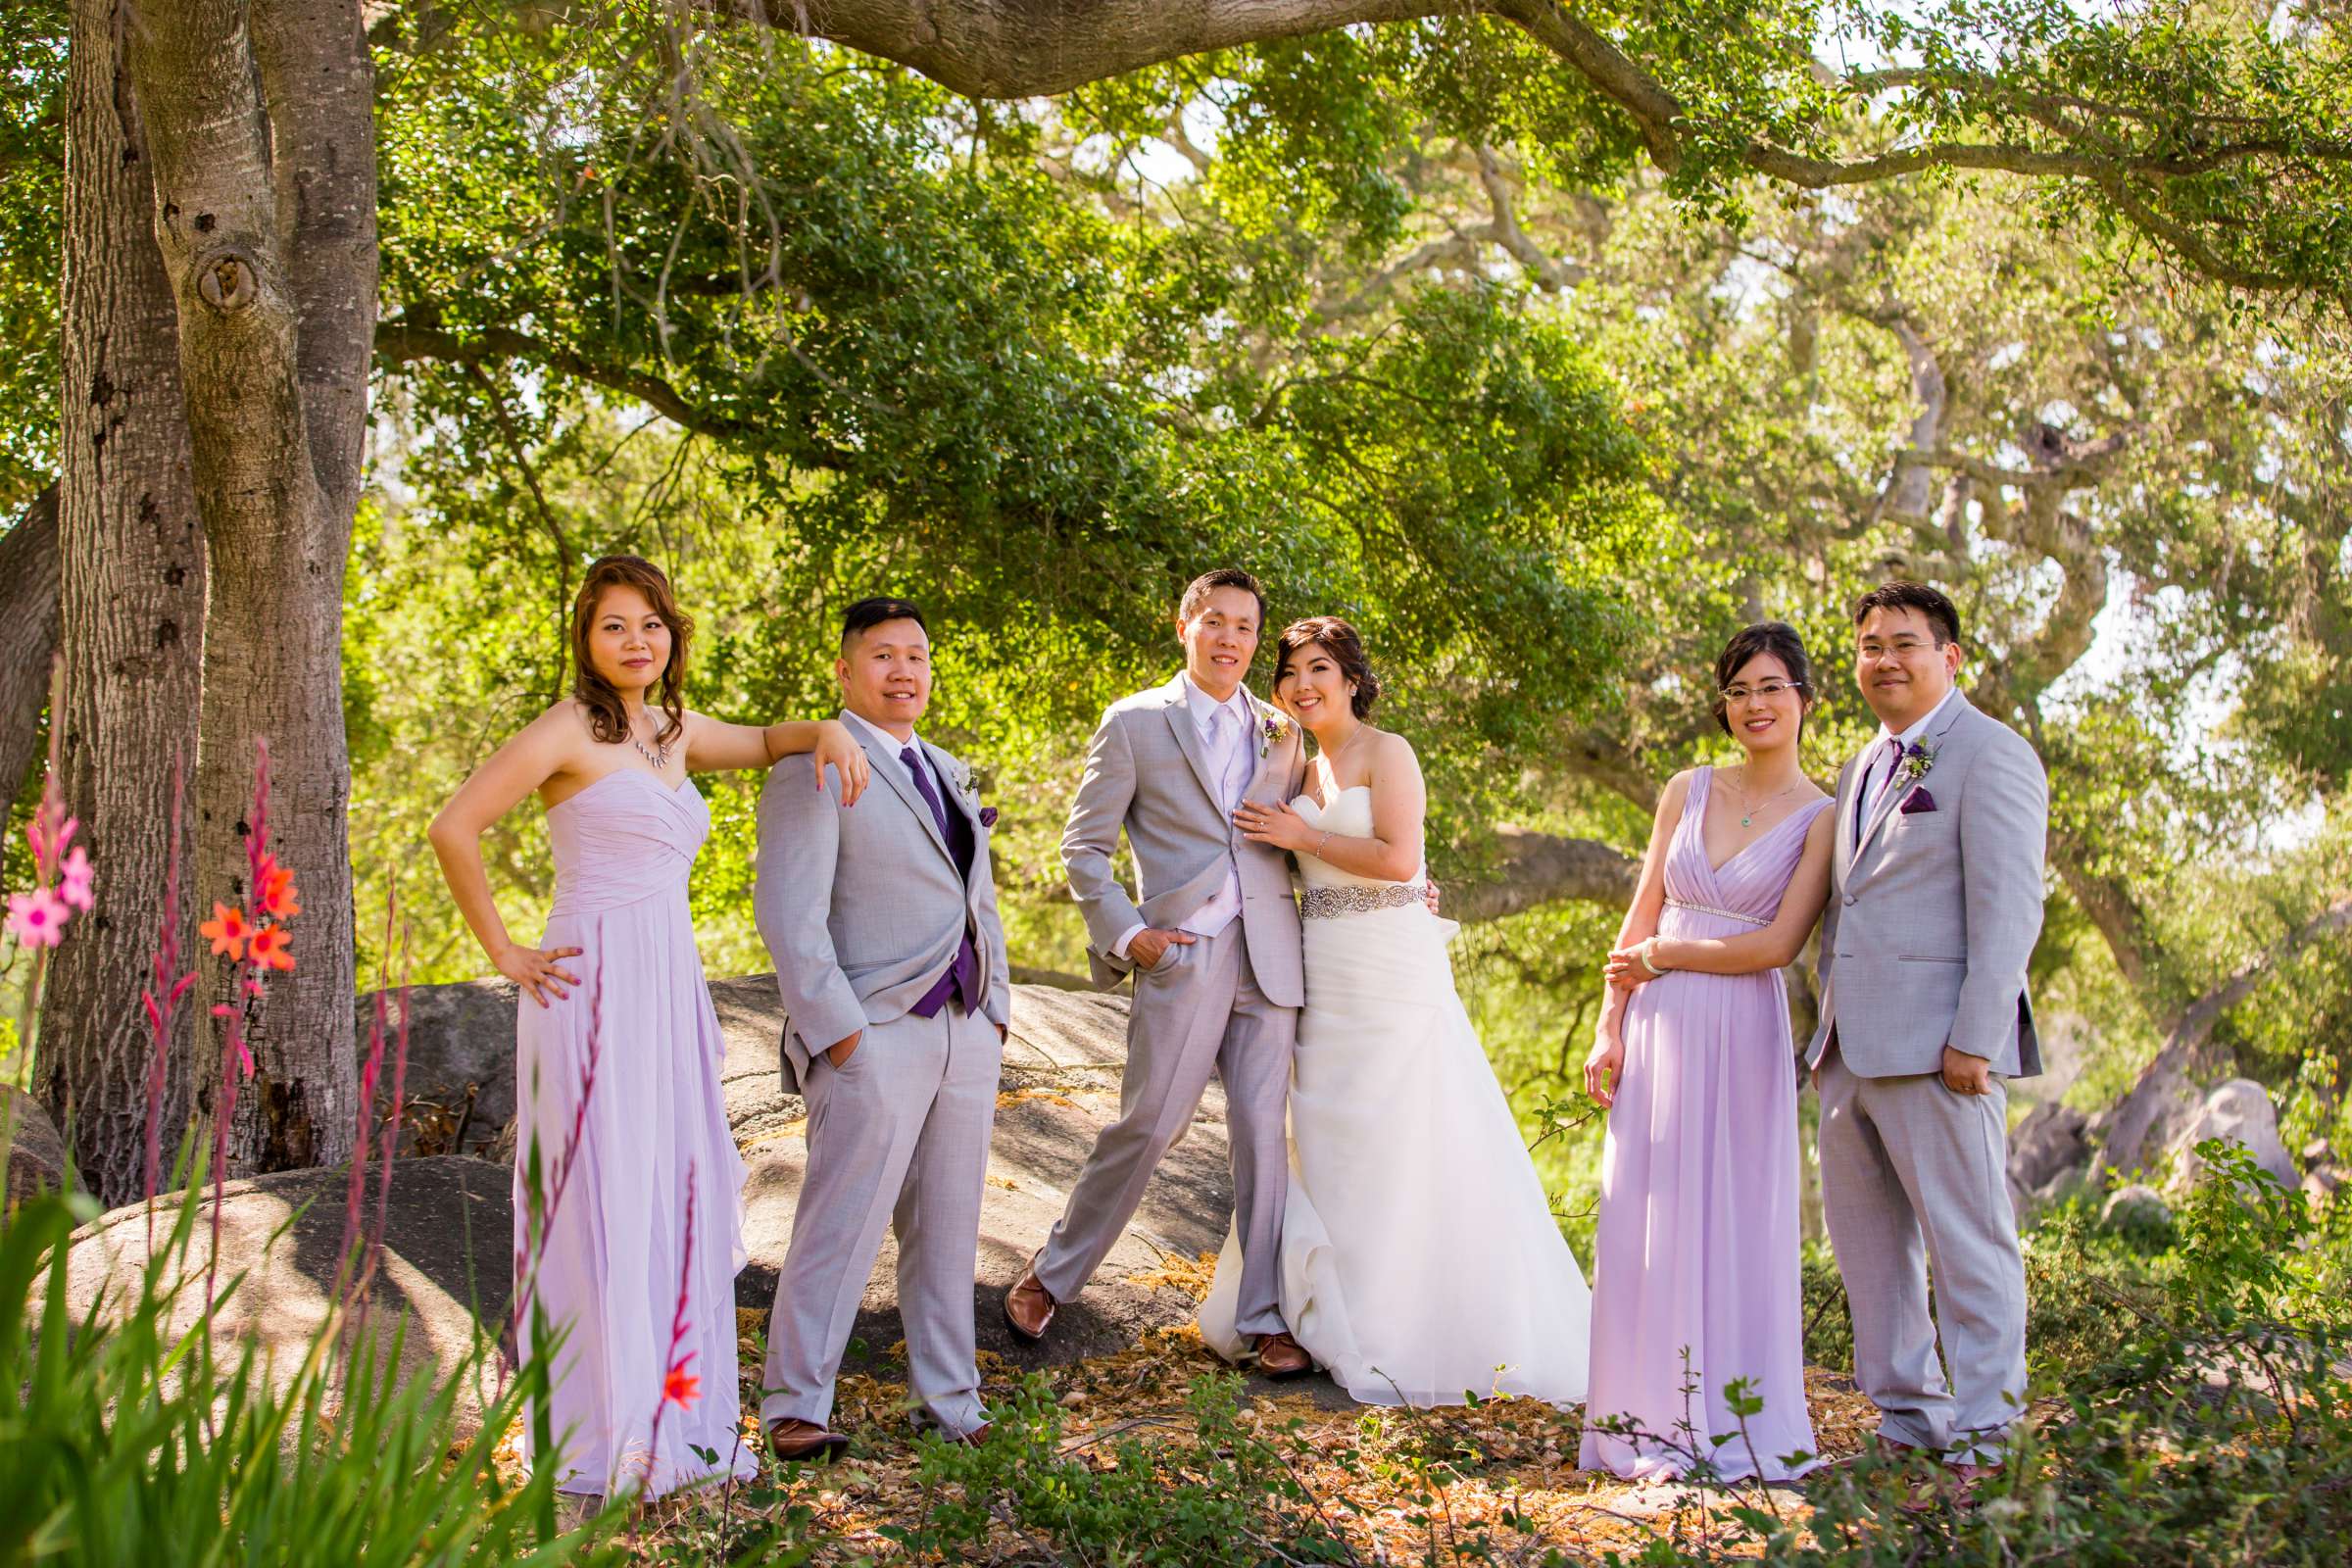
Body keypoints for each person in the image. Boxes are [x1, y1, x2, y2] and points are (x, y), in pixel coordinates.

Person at [428, 554, 869, 1498]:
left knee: (665, 1185)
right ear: (587, 641)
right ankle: (601, 1427)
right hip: (587, 986)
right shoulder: (564, 731)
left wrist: (829, 727)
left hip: (668, 983)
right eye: (615, 626)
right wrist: (507, 953)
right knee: (600, 1191)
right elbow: (452, 827)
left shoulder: (677, 732)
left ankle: (679, 1418)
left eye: (652, 624)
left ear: (674, 635)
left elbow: (764, 740)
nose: (637, 641)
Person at [1199, 616, 1591, 1405]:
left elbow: (1400, 859)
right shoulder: (1292, 766)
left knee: (1411, 1126)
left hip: (1390, 964)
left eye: (1319, 669)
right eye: (1290, 673)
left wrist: (1305, 836)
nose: (1302, 685)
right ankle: (1314, 1312)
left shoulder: (1388, 752)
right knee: (1330, 1130)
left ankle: (1423, 1325)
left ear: (1350, 678)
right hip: (1323, 969)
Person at [1004, 569, 1315, 1377]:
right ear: (1185, 625)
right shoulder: (1135, 722)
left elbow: (1305, 833)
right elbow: (1084, 849)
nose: (1231, 640)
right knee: (1149, 1124)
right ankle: (1054, 1273)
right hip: (1182, 951)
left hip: (1270, 953)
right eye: (1215, 622)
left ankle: (1265, 1317)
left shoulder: (1282, 730)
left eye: (1246, 628)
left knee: (1262, 1137)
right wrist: (1128, 933)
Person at [753, 596, 1012, 1461]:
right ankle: (795, 1404)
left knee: (948, 1224)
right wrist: (841, 1035)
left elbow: (980, 900)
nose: (905, 671)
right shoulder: (813, 762)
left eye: (918, 656)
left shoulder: (947, 767)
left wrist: (998, 1014)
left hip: (965, 1029)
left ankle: (950, 1402)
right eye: (884, 656)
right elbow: (790, 916)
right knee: (843, 1221)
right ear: (845, 670)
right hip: (875, 1030)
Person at [1579, 621, 1836, 1480]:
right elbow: (1643, 907)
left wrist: (1667, 958)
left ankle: (1733, 1424)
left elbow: (1778, 946)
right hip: (1657, 1026)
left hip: (1742, 1028)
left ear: (1804, 698)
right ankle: (1641, 1421)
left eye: (1771, 688)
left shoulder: (1824, 816)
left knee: (1733, 1215)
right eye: (1738, 691)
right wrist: (1613, 1017)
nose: (1754, 705)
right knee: (1651, 1210)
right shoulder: (1686, 788)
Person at [1807, 581, 2046, 1498]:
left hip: (1942, 1054)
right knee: (1872, 1254)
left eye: (1904, 643)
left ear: (1950, 656)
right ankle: (1910, 1420)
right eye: (1869, 645)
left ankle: (1988, 1439)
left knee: (1970, 1247)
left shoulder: (1992, 755)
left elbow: (2010, 910)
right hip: (1849, 1052)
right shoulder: (1865, 762)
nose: (1884, 659)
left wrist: (1975, 1041)